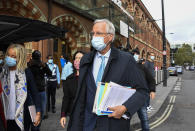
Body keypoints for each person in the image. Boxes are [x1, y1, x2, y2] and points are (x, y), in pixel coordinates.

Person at [67, 19, 148, 131]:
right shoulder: (86, 59)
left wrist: (125, 108)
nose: (94, 37)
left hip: (112, 124)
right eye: (93, 33)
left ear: (110, 37)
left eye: (98, 33)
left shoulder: (126, 60)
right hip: (87, 124)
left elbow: (142, 91)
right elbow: (82, 93)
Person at [0, 44, 41, 131]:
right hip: (5, 117)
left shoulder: (26, 72)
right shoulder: (2, 73)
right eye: (8, 55)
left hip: (21, 117)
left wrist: (37, 112)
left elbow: (34, 93)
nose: (9, 58)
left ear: (19, 58)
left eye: (13, 56)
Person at [132, 49, 156, 131]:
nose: (136, 56)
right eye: (134, 54)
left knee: (144, 118)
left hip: (140, 95)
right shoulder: (125, 66)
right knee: (125, 119)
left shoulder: (141, 66)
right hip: (129, 96)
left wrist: (152, 90)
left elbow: (151, 79)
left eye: (136, 54)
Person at [28, 50, 52, 130]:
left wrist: (44, 66)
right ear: (32, 57)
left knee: (41, 112)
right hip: (31, 93)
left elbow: (50, 73)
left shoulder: (42, 64)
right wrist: (29, 66)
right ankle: (34, 127)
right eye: (36, 58)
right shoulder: (29, 65)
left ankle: (37, 127)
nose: (37, 60)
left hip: (41, 91)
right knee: (32, 112)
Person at [60, 51, 85, 128]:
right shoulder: (69, 79)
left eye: (80, 58)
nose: (77, 60)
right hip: (74, 113)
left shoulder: (89, 78)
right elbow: (66, 97)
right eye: (76, 58)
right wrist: (63, 115)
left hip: (87, 114)